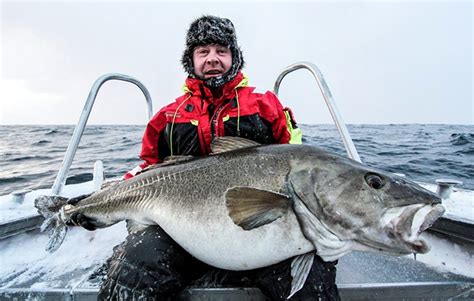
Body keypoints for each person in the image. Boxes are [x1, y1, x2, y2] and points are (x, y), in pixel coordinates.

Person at [77, 15, 340, 300]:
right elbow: (148, 168)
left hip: (268, 231)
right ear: (191, 59)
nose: (212, 59)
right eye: (203, 51)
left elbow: (298, 158)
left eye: (221, 51)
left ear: (234, 57)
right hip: (182, 233)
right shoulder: (167, 117)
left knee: (312, 282)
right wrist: (101, 199)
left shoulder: (267, 107)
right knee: (135, 267)